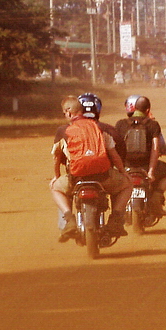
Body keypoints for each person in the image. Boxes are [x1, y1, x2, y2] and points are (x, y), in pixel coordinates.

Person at [50, 96, 132, 242]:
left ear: (69, 112)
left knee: (56, 189)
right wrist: (123, 172)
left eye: (64, 113)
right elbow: (114, 155)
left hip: (76, 177)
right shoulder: (99, 128)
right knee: (127, 185)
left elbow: (57, 158)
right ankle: (115, 220)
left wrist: (56, 176)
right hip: (103, 176)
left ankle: (69, 220)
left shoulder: (64, 131)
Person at [114, 94, 166, 220]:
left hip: (126, 166)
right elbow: (155, 149)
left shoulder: (120, 124)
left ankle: (116, 213)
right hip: (145, 166)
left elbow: (115, 148)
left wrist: (120, 169)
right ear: (147, 110)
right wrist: (151, 171)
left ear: (134, 108)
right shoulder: (152, 124)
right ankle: (156, 197)